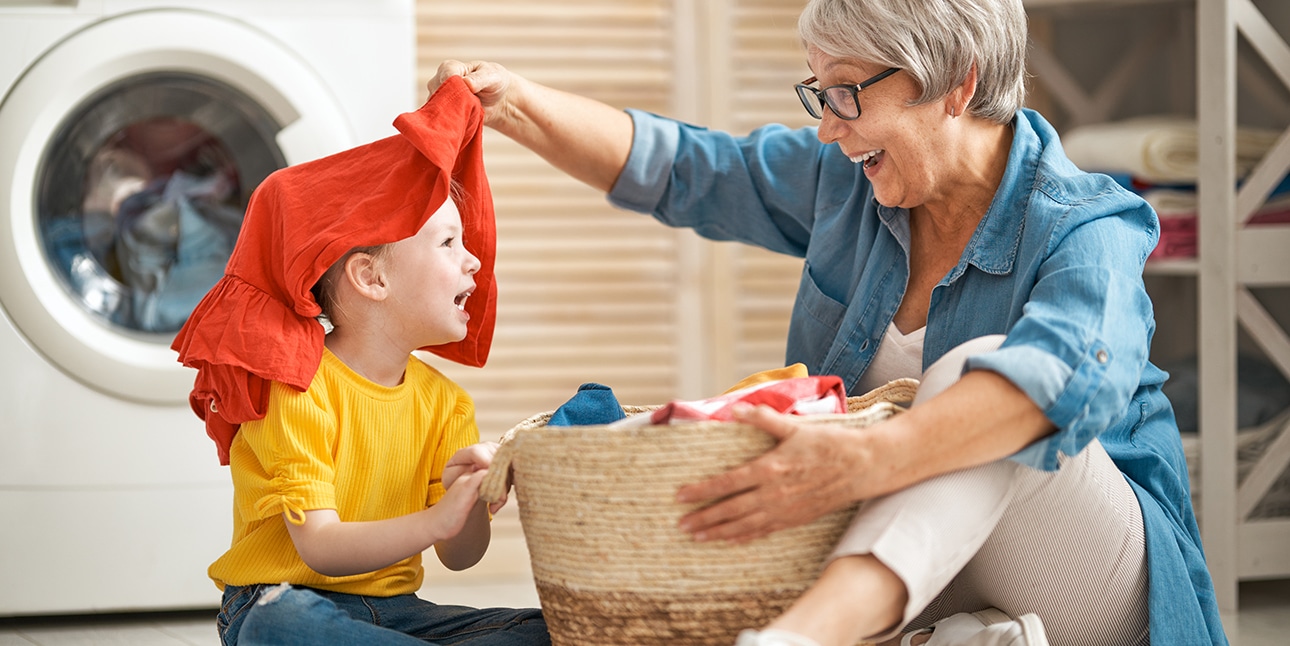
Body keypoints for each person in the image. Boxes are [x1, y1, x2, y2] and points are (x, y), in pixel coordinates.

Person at [427, 0, 1226, 644]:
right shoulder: (846, 186)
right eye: (818, 93)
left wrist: (868, 459)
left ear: (956, 82)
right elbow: (686, 168)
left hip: (1097, 583)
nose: (826, 126)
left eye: (846, 93)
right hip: (916, 571)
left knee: (981, 379)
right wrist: (519, 105)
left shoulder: (1088, 224)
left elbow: (1064, 374)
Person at [171, 77, 549, 646]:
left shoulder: (446, 403)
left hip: (399, 613)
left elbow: (460, 557)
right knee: (279, 625)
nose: (474, 262)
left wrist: (467, 501)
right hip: (287, 600)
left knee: (554, 628)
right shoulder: (295, 388)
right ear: (371, 278)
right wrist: (434, 520)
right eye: (448, 243)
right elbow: (319, 548)